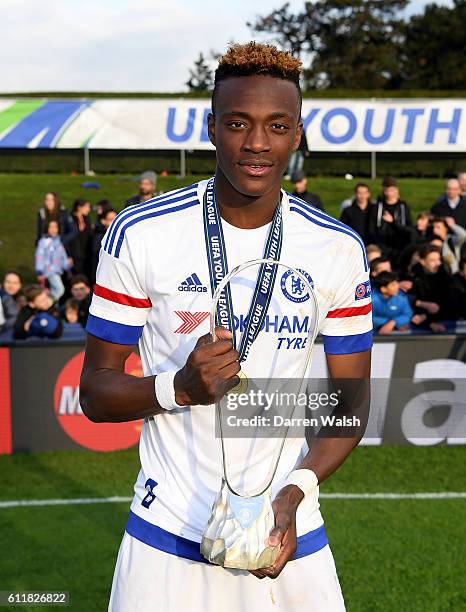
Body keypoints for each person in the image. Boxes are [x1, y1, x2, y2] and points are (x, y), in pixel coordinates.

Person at [80, 42, 372, 612]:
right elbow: (94, 392)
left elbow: (351, 403)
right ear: (212, 127)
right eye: (238, 123)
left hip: (287, 533)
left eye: (276, 126)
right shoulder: (141, 232)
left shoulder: (336, 247)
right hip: (166, 533)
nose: (257, 143)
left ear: (297, 133)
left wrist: (294, 493)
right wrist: (177, 389)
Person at [409, 244, 457, 332]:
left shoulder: (445, 278)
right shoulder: (413, 277)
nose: (438, 263)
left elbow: (448, 304)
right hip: (418, 323)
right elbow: (406, 300)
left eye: (439, 260)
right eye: (432, 260)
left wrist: (426, 316)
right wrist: (420, 304)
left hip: (443, 321)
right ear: (423, 262)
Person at [367, 175, 412, 262]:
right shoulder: (377, 207)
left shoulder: (403, 207)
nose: (389, 193)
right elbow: (371, 228)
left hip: (399, 245)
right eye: (387, 190)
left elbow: (408, 228)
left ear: (397, 190)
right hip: (381, 245)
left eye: (392, 190)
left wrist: (393, 222)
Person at [35, 219, 72, 302]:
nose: (53, 229)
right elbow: (39, 256)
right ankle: (47, 303)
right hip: (48, 271)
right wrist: (39, 271)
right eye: (50, 227)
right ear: (46, 228)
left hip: (57, 270)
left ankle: (52, 306)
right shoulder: (44, 242)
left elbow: (62, 256)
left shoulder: (58, 241)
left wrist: (67, 267)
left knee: (53, 290)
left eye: (55, 227)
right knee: (60, 289)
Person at [91, 208, 117, 284]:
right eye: (111, 219)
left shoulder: (121, 236)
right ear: (103, 221)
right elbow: (95, 259)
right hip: (103, 278)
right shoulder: (99, 238)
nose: (114, 222)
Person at [68, 198, 92, 276]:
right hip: (73, 252)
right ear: (79, 207)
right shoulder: (70, 219)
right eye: (87, 207)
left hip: (85, 252)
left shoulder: (87, 219)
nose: (89, 209)